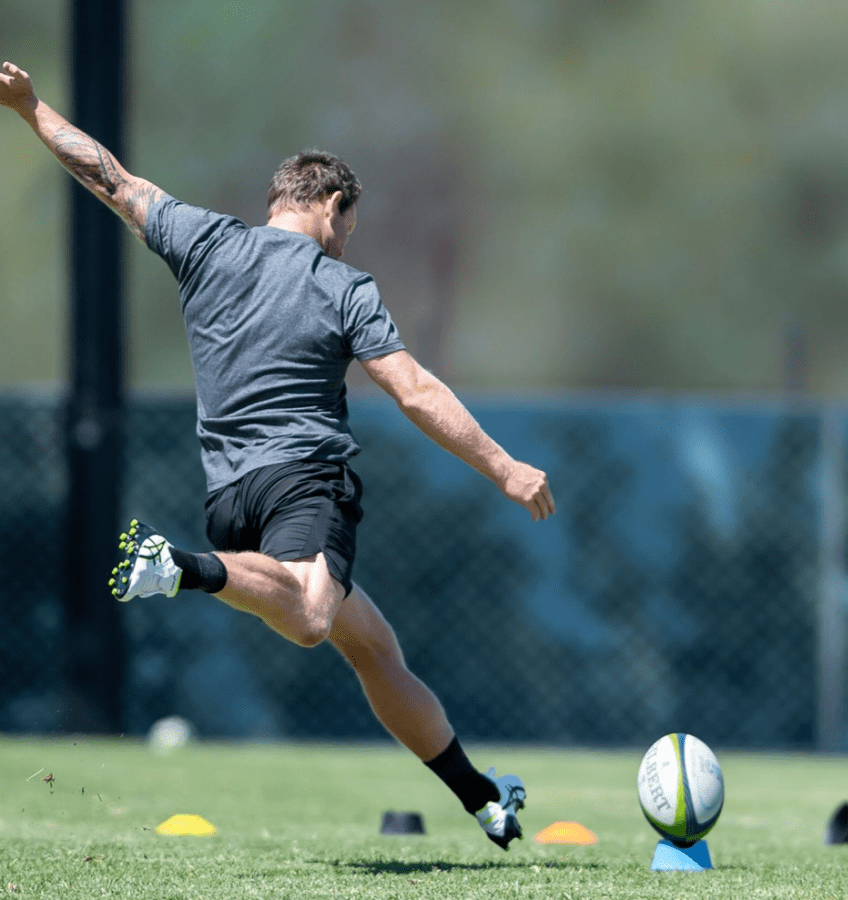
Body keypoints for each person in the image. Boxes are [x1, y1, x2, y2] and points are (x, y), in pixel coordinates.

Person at [0, 60, 555, 850]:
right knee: (309, 617)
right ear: (332, 205)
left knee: (372, 647)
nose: (348, 237)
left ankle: (483, 799)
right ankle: (177, 567)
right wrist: (505, 467)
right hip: (304, 480)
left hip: (230, 496)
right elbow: (416, 391)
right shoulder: (344, 286)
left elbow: (106, 173)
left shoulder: (203, 241)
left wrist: (27, 108)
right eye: (349, 223)